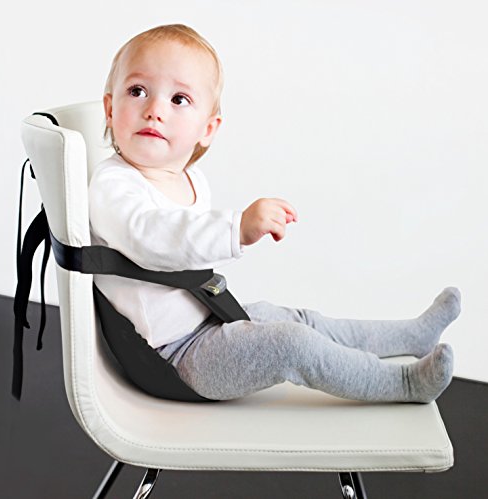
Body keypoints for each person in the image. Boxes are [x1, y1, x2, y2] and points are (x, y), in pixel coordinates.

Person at [89, 24, 460, 403]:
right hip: (173, 357)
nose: (154, 111)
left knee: (299, 320)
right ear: (110, 109)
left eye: (179, 99)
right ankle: (403, 384)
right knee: (291, 344)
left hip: (208, 319)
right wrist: (235, 228)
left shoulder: (190, 178)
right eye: (138, 91)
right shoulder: (112, 185)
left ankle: (409, 336)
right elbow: (152, 237)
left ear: (208, 129)